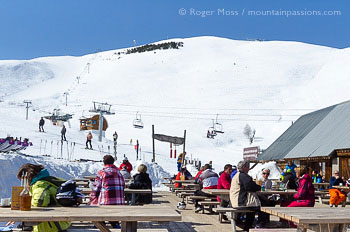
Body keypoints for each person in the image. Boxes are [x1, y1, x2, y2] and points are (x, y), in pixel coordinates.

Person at [16, 163, 71, 232]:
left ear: (28, 177)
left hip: (51, 226)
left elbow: (39, 202)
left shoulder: (39, 184)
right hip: (59, 222)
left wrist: (26, 201)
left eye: (23, 179)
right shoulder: (47, 180)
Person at [90, 155, 124, 229]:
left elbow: (96, 189)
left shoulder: (102, 173)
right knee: (112, 215)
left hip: (105, 205)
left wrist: (92, 199)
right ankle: (115, 224)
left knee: (96, 207)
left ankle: (100, 226)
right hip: (119, 205)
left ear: (104, 163)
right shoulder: (119, 173)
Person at [230, 160, 261, 231]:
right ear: (244, 167)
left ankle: (249, 226)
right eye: (248, 167)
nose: (249, 168)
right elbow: (250, 187)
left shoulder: (238, 175)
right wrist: (259, 187)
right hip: (240, 202)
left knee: (256, 206)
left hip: (236, 201)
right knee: (258, 207)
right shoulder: (243, 176)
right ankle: (252, 226)